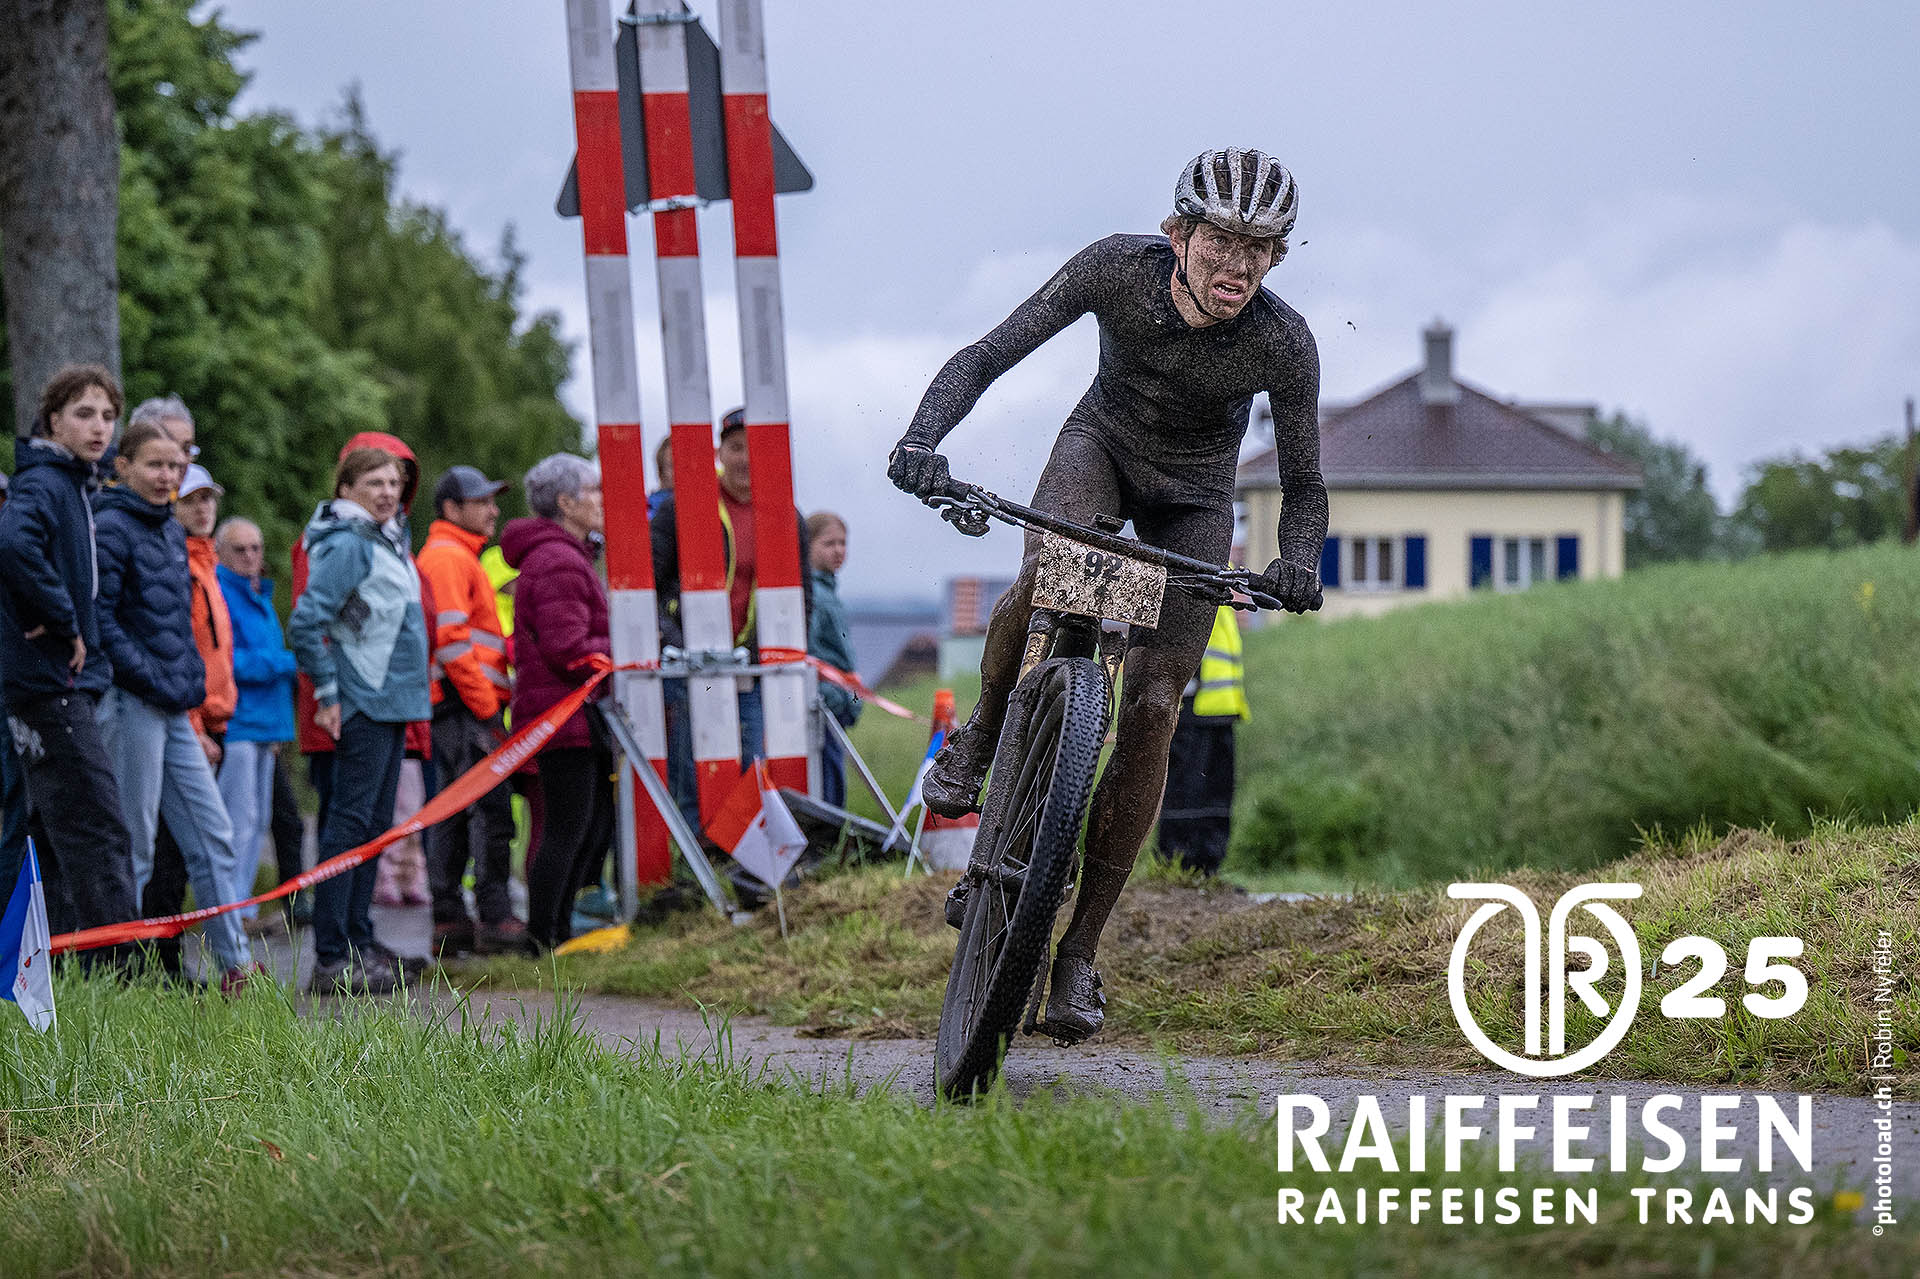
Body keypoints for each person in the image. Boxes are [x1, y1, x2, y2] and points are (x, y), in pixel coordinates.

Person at [886, 148, 1327, 1042]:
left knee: (1157, 704)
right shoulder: (1117, 270)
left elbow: (1305, 484)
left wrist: (1298, 560)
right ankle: (984, 731)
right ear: (1177, 234)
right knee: (1052, 573)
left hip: (1195, 499)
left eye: (1259, 248)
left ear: (1278, 257)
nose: (1238, 264)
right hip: (1102, 450)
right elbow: (990, 353)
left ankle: (1079, 951)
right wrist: (922, 438)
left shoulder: (1284, 341)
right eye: (1221, 241)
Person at [92, 422, 257, 989]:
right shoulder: (110, 526)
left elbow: (179, 629)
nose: (167, 476)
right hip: (130, 704)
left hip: (174, 708)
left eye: (174, 466)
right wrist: (153, 679)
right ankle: (120, 976)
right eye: (154, 465)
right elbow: (100, 621)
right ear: (124, 468)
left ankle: (236, 967)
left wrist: (185, 685)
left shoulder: (167, 527)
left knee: (214, 835)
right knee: (135, 846)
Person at [0, 365, 140, 970]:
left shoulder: (75, 484)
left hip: (53, 683)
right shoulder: (45, 482)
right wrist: (62, 618)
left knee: (48, 837)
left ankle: (49, 970)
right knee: (98, 830)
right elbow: (13, 543)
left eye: (108, 416)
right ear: (53, 420)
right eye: (84, 414)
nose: (99, 427)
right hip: (49, 685)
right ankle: (122, 973)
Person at [288, 446, 432, 993]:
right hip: (365, 702)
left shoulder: (385, 538)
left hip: (393, 702)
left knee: (372, 828)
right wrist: (328, 693)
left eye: (393, 483)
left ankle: (359, 942)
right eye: (374, 483)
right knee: (350, 826)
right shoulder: (350, 543)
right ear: (346, 490)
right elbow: (305, 622)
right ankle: (331, 958)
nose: (388, 492)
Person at [651, 409, 811, 825]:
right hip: (692, 665)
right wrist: (675, 642)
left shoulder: (785, 515)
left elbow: (802, 597)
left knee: (750, 767)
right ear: (720, 452)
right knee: (694, 770)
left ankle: (738, 857)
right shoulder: (684, 506)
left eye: (755, 448)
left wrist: (772, 653)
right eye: (736, 448)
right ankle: (694, 857)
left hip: (751, 667)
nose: (745, 459)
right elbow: (649, 585)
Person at [501, 454, 612, 951]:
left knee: (581, 828)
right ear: (566, 503)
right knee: (567, 829)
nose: (601, 500)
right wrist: (624, 647)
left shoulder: (565, 555)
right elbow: (567, 648)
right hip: (563, 716)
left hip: (568, 715)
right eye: (593, 490)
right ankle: (543, 938)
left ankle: (556, 935)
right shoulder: (558, 560)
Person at [417, 465, 527, 956]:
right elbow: (451, 641)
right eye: (482, 501)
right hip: (465, 707)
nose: (493, 510)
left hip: (459, 705)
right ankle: (493, 917)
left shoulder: (456, 555)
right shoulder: (448, 557)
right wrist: (485, 708)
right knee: (488, 813)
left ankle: (453, 920)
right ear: (451, 508)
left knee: (460, 813)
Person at [216, 516, 299, 927]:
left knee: (259, 820)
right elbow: (225, 661)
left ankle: (243, 906)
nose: (250, 556)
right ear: (221, 553)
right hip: (238, 723)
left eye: (255, 547)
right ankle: (227, 908)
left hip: (267, 724)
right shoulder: (220, 593)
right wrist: (283, 663)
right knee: (238, 820)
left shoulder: (258, 594)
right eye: (240, 549)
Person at [1155, 605, 1249, 876]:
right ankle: (1177, 865)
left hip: (1221, 709)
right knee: (1185, 791)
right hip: (1193, 706)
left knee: (1216, 795)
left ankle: (1207, 870)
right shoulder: (1197, 580)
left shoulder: (1226, 587)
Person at [805, 511, 861, 809]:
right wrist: (837, 697)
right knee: (827, 781)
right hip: (825, 705)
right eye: (829, 543)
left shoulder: (829, 591)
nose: (838, 550)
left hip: (836, 703)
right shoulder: (814, 594)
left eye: (843, 543)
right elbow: (810, 652)